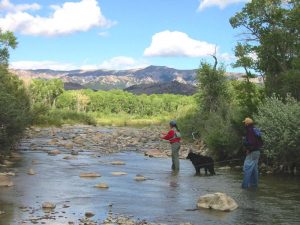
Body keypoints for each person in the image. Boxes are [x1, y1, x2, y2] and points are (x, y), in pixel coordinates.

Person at [241, 117, 263, 189]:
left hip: (252, 152)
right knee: (254, 170)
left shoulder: (250, 130)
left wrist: (248, 148)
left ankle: (244, 187)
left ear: (247, 123)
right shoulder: (254, 129)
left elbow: (252, 142)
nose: (244, 124)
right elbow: (259, 142)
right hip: (257, 152)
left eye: (244, 123)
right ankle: (254, 187)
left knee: (246, 168)